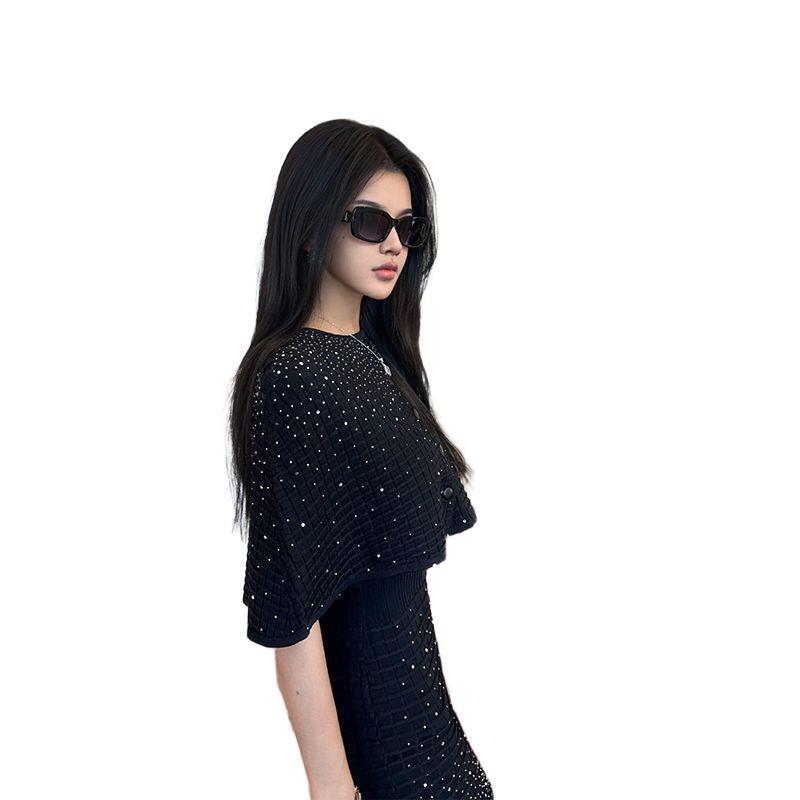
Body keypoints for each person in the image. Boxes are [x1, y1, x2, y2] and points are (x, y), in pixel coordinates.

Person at [228, 119, 493, 800]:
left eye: (407, 227)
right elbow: (293, 613)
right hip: (384, 754)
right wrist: (333, 789)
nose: (394, 244)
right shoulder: (295, 375)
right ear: (310, 225)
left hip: (428, 732)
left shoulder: (371, 358)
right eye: (371, 222)